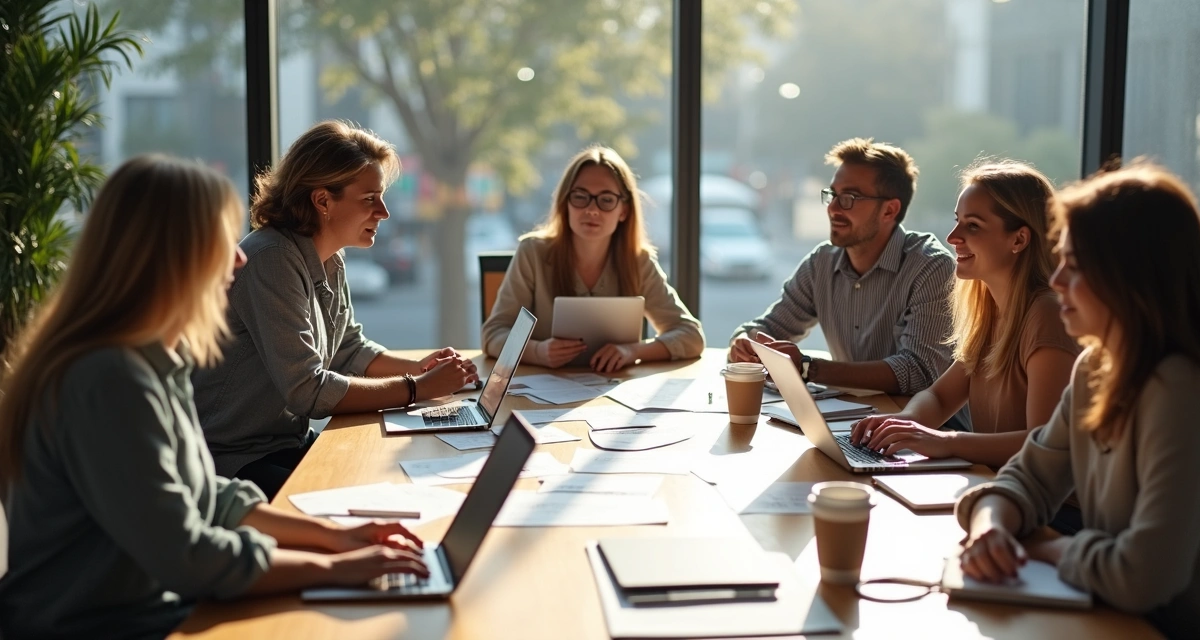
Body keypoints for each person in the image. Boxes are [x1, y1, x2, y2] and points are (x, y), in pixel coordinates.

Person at [0, 156, 429, 639]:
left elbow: (210, 497)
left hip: (154, 609)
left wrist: (339, 540)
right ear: (168, 253)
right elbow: (189, 556)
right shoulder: (108, 378)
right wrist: (334, 569)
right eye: (220, 240)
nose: (241, 257)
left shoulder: (156, 358)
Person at [956, 163, 1200, 639]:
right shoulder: (1098, 367)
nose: (1055, 281)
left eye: (1073, 266)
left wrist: (1040, 548)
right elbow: (1028, 477)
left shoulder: (1183, 386)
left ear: (1132, 275)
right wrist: (990, 528)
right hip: (1108, 615)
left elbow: (1142, 577)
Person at [193, 121, 479, 500]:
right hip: (233, 461)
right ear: (323, 201)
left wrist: (422, 369)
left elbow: (348, 349)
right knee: (363, 499)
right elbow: (307, 391)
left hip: (282, 443)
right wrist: (417, 389)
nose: (384, 212)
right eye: (369, 199)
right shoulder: (272, 259)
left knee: (387, 479)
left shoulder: (328, 258)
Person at [849, 161, 1079, 467]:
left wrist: (946, 441)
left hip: (1049, 511)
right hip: (998, 488)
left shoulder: (1046, 314)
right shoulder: (991, 313)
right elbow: (939, 398)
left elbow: (1044, 444)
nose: (953, 237)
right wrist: (905, 424)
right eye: (957, 221)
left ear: (1019, 240)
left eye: (972, 226)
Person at [729, 137, 955, 398]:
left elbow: (918, 373)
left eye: (849, 197)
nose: (833, 208)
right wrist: (744, 342)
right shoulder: (822, 263)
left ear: (889, 210)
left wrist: (808, 367)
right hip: (852, 421)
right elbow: (770, 327)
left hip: (919, 427)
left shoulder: (931, 268)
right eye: (832, 195)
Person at [480, 145, 705, 372]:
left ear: (623, 211)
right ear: (565, 203)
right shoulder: (532, 253)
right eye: (580, 197)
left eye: (606, 200)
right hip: (535, 398)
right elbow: (494, 334)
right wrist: (538, 352)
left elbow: (691, 336)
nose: (592, 210)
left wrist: (633, 351)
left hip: (614, 394)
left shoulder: (638, 261)